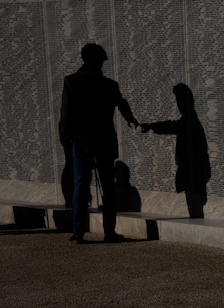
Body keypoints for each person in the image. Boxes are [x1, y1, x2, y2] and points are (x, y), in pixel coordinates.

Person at [59, 43, 139, 243]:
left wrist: (67, 139)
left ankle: (78, 233)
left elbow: (66, 115)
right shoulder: (109, 85)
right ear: (97, 61)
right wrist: (131, 120)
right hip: (104, 141)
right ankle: (109, 232)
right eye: (102, 61)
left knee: (80, 186)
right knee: (108, 188)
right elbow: (122, 104)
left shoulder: (71, 82)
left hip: (81, 141)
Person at [140, 83, 211, 218]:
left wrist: (150, 126)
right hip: (192, 173)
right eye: (178, 101)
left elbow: (170, 126)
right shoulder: (189, 120)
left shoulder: (190, 121)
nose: (178, 105)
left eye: (180, 100)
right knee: (194, 210)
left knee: (195, 211)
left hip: (194, 174)